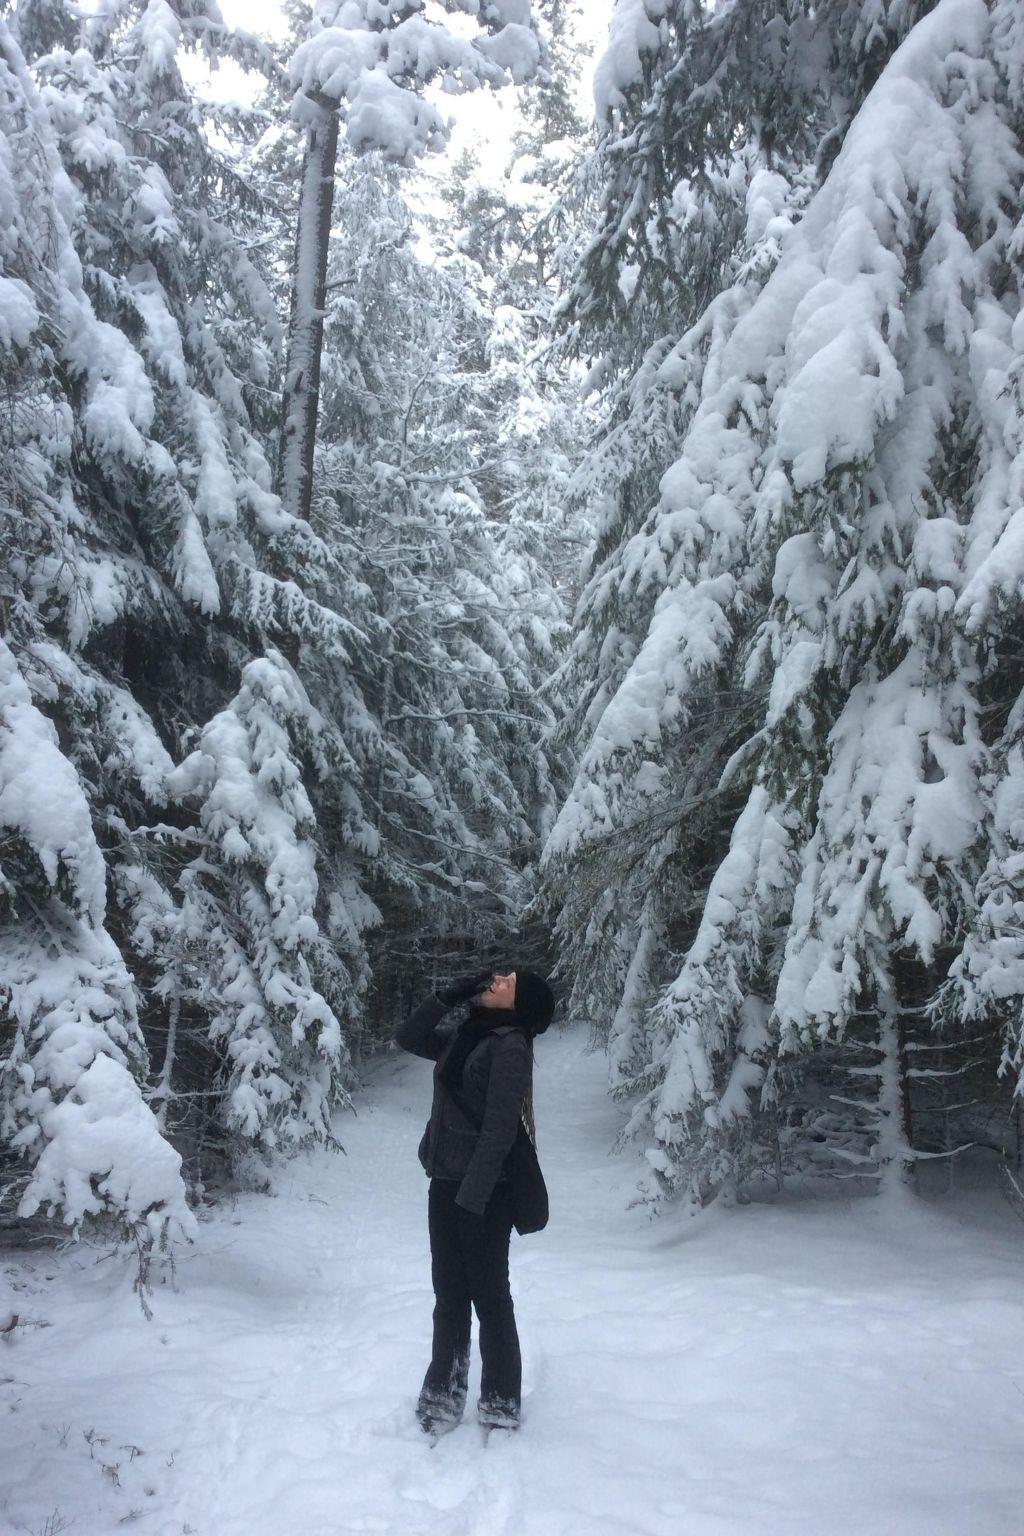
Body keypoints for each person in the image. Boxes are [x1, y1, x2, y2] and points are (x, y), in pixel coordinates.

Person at [394, 967, 555, 1436]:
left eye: (509, 983)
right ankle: (443, 1393)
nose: (497, 980)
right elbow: (408, 1037)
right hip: (445, 1181)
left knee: (489, 1296)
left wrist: (472, 1199)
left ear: (519, 1006)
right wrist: (449, 995)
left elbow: (499, 1132)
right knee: (448, 1294)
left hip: (485, 1192)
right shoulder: (467, 1034)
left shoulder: (510, 1046)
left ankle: (501, 1400)